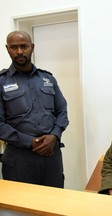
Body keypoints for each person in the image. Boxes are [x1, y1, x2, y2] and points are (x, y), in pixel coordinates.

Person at [0, 31, 69, 188]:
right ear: (7, 49)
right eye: (14, 47)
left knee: (53, 204)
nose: (19, 52)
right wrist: (31, 142)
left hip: (51, 156)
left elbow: (62, 111)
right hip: (19, 159)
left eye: (24, 46)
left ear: (32, 47)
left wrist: (54, 135)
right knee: (20, 208)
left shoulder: (48, 79)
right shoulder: (1, 82)